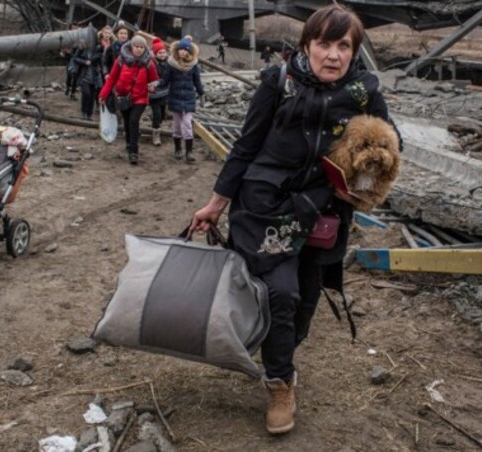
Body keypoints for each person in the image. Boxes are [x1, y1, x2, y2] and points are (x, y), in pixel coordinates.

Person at [189, 5, 399, 435]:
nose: (333, 55)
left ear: (354, 51)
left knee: (304, 302)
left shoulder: (364, 91)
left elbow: (392, 144)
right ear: (306, 45)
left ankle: (278, 349)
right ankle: (279, 382)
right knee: (280, 295)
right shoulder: (278, 82)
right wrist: (216, 203)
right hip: (267, 207)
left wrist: (359, 184)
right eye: (324, 43)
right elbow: (245, 146)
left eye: (344, 46)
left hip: (323, 212)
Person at [98, 35, 159, 165]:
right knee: (126, 121)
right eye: (137, 46)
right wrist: (103, 95)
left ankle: (134, 151)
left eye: (142, 47)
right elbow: (112, 79)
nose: (139, 49)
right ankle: (128, 143)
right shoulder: (120, 60)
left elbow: (154, 80)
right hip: (123, 96)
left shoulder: (149, 63)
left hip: (140, 97)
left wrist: (152, 88)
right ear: (132, 47)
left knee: (133, 121)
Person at [152, 37, 204, 162]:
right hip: (175, 97)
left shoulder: (193, 65)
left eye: (184, 50)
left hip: (188, 98)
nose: (182, 52)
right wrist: (156, 83)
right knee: (176, 126)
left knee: (187, 124)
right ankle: (177, 149)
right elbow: (165, 80)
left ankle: (189, 152)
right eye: (180, 49)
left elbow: (197, 81)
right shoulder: (171, 64)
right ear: (177, 50)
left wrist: (202, 93)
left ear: (188, 51)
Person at [72, 36, 104, 121]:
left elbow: (101, 57)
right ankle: (84, 113)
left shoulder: (98, 48)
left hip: (94, 76)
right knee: (87, 93)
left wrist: (94, 62)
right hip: (84, 76)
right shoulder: (82, 48)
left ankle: (89, 114)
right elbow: (75, 58)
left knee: (92, 96)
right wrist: (84, 62)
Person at [149, 37, 170, 147]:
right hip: (154, 94)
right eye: (159, 53)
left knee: (162, 115)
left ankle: (157, 125)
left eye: (163, 52)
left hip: (165, 93)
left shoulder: (168, 64)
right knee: (157, 114)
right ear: (155, 54)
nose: (162, 55)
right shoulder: (152, 64)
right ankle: (156, 134)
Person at [60, 24, 80, 100]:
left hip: (76, 59)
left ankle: (73, 93)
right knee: (69, 75)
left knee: (75, 77)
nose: (74, 29)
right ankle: (68, 87)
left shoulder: (79, 37)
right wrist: (64, 52)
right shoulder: (68, 37)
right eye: (73, 28)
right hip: (69, 58)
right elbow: (63, 48)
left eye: (76, 28)